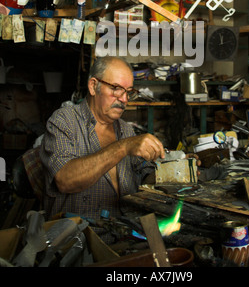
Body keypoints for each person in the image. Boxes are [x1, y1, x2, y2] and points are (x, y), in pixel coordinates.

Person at [39, 56, 166, 239]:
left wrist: (175, 171)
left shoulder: (125, 129)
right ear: (93, 86)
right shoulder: (64, 121)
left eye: (128, 92)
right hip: (78, 239)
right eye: (116, 89)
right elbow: (65, 180)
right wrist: (122, 148)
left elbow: (145, 176)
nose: (123, 99)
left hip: (125, 233)